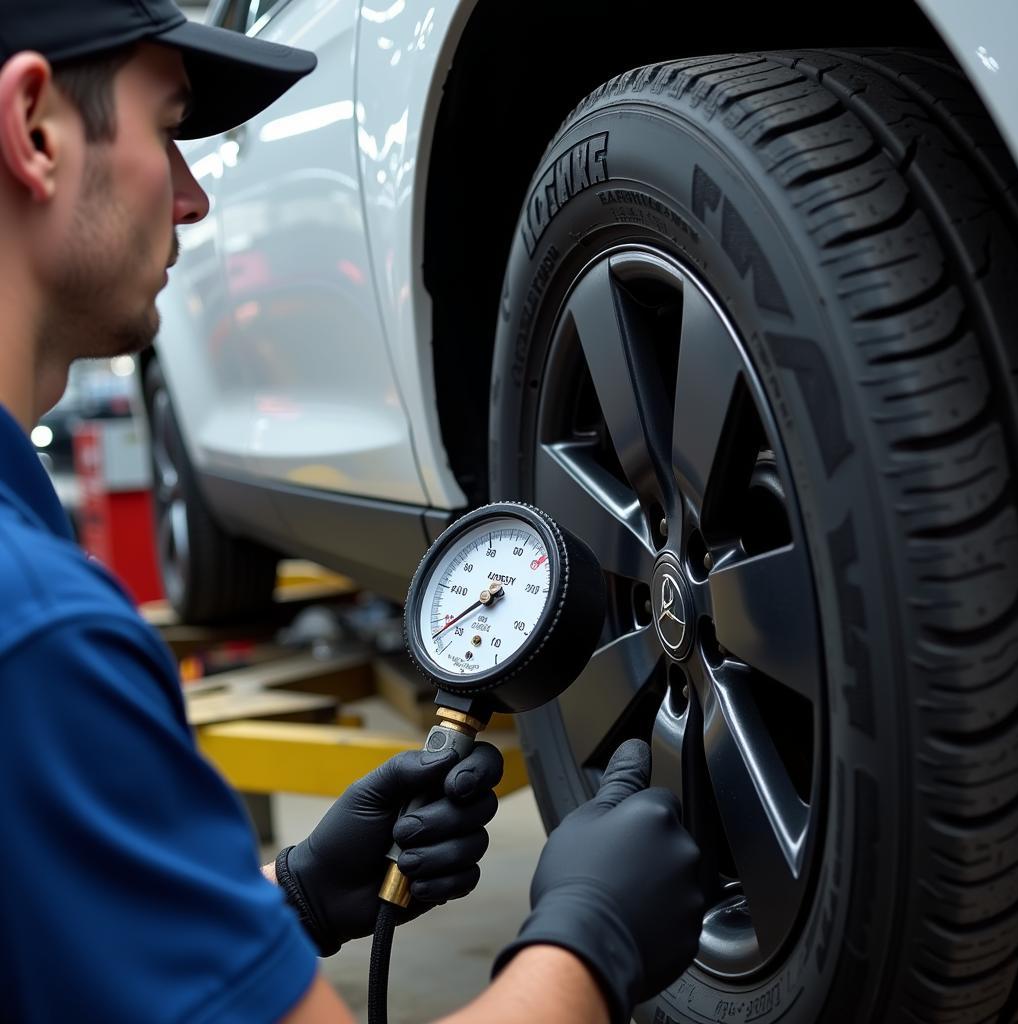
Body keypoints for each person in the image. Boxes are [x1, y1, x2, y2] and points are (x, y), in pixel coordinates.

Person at [0, 1, 704, 1021]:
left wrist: (286, 903)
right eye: (168, 130)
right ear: (33, 130)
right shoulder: (41, 641)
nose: (194, 199)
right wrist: (587, 943)